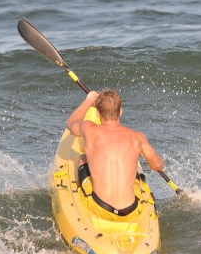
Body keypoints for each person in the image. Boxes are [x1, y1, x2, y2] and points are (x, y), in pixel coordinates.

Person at [66, 88, 164, 220]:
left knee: (83, 158)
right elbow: (158, 165)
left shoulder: (89, 130)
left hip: (100, 208)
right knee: (134, 170)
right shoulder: (137, 137)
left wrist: (88, 100)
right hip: (131, 210)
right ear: (120, 111)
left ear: (97, 113)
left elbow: (71, 123)